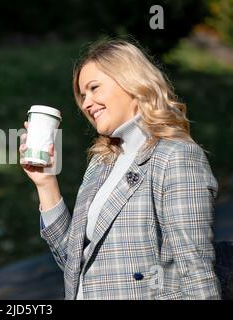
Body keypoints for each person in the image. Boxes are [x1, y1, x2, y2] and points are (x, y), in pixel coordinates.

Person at [19, 39, 221, 300]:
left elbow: (196, 273)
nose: (86, 103)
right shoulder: (102, 163)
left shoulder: (176, 156)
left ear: (131, 82)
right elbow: (75, 266)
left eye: (94, 88)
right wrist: (46, 183)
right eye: (82, 95)